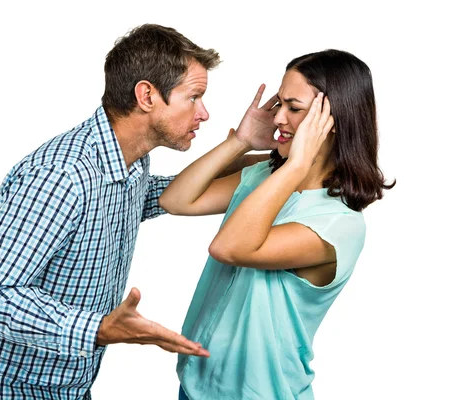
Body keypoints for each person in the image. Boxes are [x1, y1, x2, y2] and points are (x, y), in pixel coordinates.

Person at [0, 24, 265, 399]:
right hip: (4, 392)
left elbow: (159, 195)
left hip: (68, 390)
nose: (205, 113)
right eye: (194, 97)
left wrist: (259, 158)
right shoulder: (62, 176)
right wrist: (97, 328)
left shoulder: (128, 165)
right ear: (146, 95)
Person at [159, 49, 395, 399]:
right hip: (197, 384)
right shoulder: (264, 175)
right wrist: (239, 142)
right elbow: (175, 201)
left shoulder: (337, 224)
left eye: (294, 108)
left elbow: (228, 248)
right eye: (279, 104)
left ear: (333, 119)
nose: (279, 118)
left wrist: (299, 165)